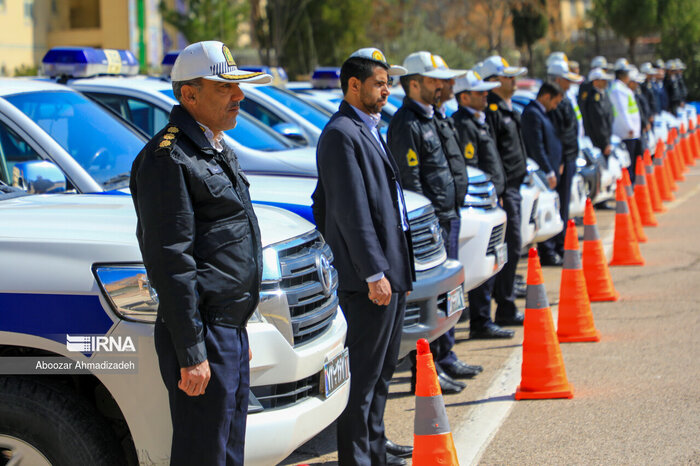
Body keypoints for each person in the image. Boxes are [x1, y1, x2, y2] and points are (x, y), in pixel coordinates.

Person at [130, 41, 273, 465]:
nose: (239, 97)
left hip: (226, 330)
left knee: (228, 452)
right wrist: (193, 351)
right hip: (204, 334)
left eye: (237, 88)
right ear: (188, 95)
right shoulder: (168, 158)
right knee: (202, 454)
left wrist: (238, 324)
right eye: (225, 88)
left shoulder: (212, 145)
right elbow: (172, 262)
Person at [312, 47, 415, 466]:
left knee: (382, 374)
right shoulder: (341, 133)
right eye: (379, 82)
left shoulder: (369, 127)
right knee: (361, 382)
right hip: (370, 278)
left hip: (393, 269)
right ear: (354, 85)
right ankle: (356, 459)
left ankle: (375, 451)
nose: (386, 89)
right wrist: (373, 271)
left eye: (387, 82)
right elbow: (351, 212)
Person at [387, 51, 471, 395]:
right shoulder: (406, 123)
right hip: (432, 225)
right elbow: (412, 182)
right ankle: (427, 371)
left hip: (449, 215)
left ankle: (445, 357)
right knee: (433, 302)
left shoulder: (435, 117)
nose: (443, 86)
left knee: (449, 296)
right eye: (435, 81)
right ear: (414, 83)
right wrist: (428, 227)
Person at [452, 70, 515, 340]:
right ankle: (480, 319)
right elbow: (473, 166)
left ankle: (483, 316)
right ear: (464, 97)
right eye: (479, 92)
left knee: (493, 259)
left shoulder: (478, 119)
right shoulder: (464, 124)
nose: (485, 95)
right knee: (481, 263)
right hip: (480, 206)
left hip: (491, 202)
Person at [480, 55, 528, 327]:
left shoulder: (507, 108)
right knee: (509, 246)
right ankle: (504, 306)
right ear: (494, 82)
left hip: (515, 186)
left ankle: (506, 303)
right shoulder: (492, 112)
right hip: (505, 188)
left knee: (513, 246)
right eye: (508, 77)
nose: (514, 81)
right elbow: (492, 155)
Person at [520, 82, 564, 265]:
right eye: (554, 101)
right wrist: (548, 170)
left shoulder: (542, 113)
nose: (555, 106)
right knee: (543, 214)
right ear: (546, 96)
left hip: (549, 171)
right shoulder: (532, 114)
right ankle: (547, 252)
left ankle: (550, 250)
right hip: (542, 174)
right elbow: (537, 146)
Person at [546, 61, 583, 260]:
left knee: (564, 206)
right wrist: (559, 160)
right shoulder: (555, 101)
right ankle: (552, 249)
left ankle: (561, 245)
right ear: (558, 79)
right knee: (557, 205)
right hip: (560, 161)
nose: (569, 83)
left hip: (569, 157)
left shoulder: (565, 98)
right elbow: (556, 135)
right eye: (566, 80)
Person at [610, 58, 642, 182]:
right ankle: (629, 187)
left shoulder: (623, 88)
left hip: (631, 131)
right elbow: (622, 111)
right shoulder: (618, 89)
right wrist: (630, 128)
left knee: (633, 160)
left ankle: (631, 185)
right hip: (626, 132)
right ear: (622, 74)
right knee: (628, 162)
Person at [582, 67, 615, 158]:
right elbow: (599, 123)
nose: (605, 82)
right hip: (600, 143)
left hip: (606, 139)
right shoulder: (594, 99)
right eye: (603, 80)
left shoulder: (602, 95)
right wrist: (605, 143)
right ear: (595, 82)